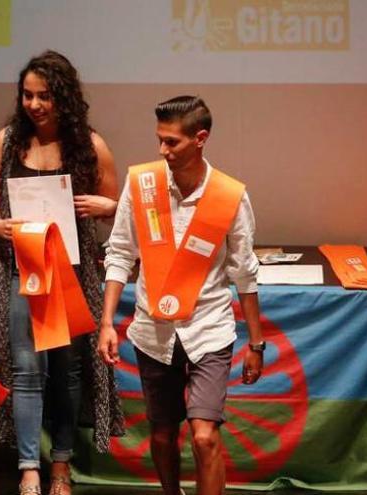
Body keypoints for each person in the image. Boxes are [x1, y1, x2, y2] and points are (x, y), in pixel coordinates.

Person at [97, 96, 264, 495]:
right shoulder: (143, 185)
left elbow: (244, 271)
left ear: (200, 139)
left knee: (204, 436)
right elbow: (120, 253)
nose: (162, 150)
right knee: (161, 436)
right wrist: (106, 323)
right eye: (159, 139)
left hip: (208, 329)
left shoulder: (229, 196)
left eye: (171, 142)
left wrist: (256, 343)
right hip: (153, 332)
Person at [0, 50, 124, 495]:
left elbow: (119, 208)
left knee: (68, 370)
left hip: (74, 276)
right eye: (27, 95)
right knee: (25, 369)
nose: (35, 105)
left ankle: (61, 463)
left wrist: (107, 205)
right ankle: (29, 468)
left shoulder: (91, 146)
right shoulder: (6, 142)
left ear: (64, 98)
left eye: (44, 96)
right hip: (22, 271)